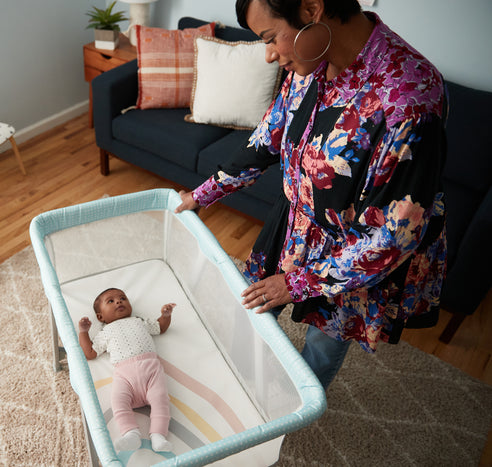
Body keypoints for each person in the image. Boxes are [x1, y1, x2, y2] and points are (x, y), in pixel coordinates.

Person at [175, 0, 447, 390]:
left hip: (352, 253)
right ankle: (241, 382)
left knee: (322, 345)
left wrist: (297, 283)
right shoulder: (309, 60)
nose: (269, 55)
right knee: (250, 309)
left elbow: (394, 234)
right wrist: (202, 195)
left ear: (312, 8)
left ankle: (293, 405)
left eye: (270, 38)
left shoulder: (410, 95)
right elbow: (267, 138)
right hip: (294, 224)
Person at [78, 288, 176, 452]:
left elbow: (160, 327)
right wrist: (83, 332)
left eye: (123, 298)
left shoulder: (139, 321)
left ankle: (158, 436)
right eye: (111, 301)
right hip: (125, 375)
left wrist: (166, 316)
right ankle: (131, 434)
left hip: (151, 369)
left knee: (161, 400)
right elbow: (90, 353)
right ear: (100, 317)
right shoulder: (105, 332)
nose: (118, 301)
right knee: (117, 401)